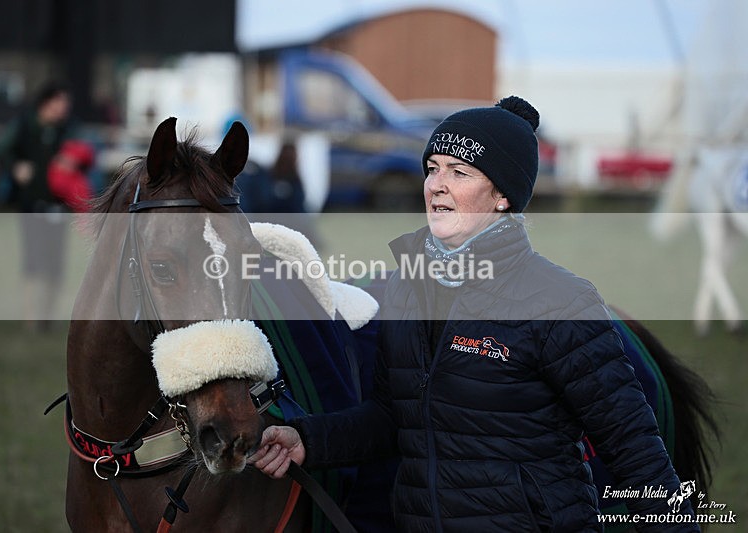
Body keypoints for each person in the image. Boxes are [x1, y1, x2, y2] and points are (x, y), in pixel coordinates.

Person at [248, 96, 698, 531]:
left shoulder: (558, 300)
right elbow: (392, 419)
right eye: (432, 169)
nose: (436, 185)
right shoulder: (406, 290)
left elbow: (634, 449)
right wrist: (308, 439)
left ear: (502, 195)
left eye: (458, 172)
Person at [0, 81, 75, 331]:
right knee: (33, 261)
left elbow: (85, 153)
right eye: (60, 103)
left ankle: (47, 317)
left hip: (59, 207)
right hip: (32, 204)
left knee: (56, 263)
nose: (64, 108)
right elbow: (2, 151)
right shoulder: (24, 126)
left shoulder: (66, 131)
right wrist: (15, 168)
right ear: (46, 103)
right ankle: (30, 317)